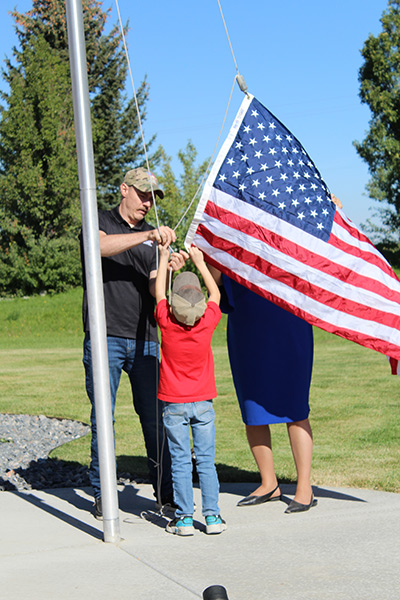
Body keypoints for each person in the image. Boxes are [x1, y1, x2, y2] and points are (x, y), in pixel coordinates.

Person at [81, 167, 186, 519]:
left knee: (156, 420)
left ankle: (166, 496)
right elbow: (99, 246)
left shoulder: (149, 237)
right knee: (103, 419)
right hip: (105, 337)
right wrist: (147, 238)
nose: (148, 202)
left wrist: (167, 262)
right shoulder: (100, 219)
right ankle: (103, 495)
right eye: (143, 194)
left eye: (153, 197)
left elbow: (158, 287)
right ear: (124, 190)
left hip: (146, 342)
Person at [208, 268, 315, 514]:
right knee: (252, 406)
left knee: (295, 407)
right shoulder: (232, 234)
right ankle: (269, 483)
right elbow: (215, 281)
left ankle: (305, 487)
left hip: (289, 321)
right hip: (247, 325)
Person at [154, 245, 227, 536]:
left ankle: (184, 519)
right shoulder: (207, 322)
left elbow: (159, 291)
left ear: (173, 303)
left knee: (181, 461)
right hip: (203, 404)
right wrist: (200, 262)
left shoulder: (166, 322)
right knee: (206, 461)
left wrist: (162, 258)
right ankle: (212, 518)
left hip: (173, 404)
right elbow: (217, 295)